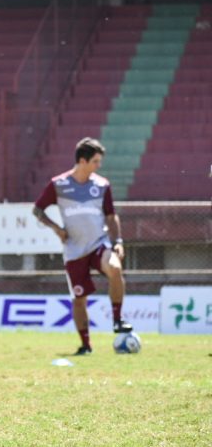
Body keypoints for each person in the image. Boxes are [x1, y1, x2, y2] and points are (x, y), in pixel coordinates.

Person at [33, 137, 132, 355]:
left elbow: (111, 216)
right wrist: (56, 228)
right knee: (79, 299)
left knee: (115, 268)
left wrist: (117, 242)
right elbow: (38, 210)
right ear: (82, 160)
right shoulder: (58, 184)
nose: (99, 166)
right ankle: (86, 345)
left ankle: (117, 319)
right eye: (96, 161)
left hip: (99, 243)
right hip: (74, 250)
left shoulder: (102, 185)